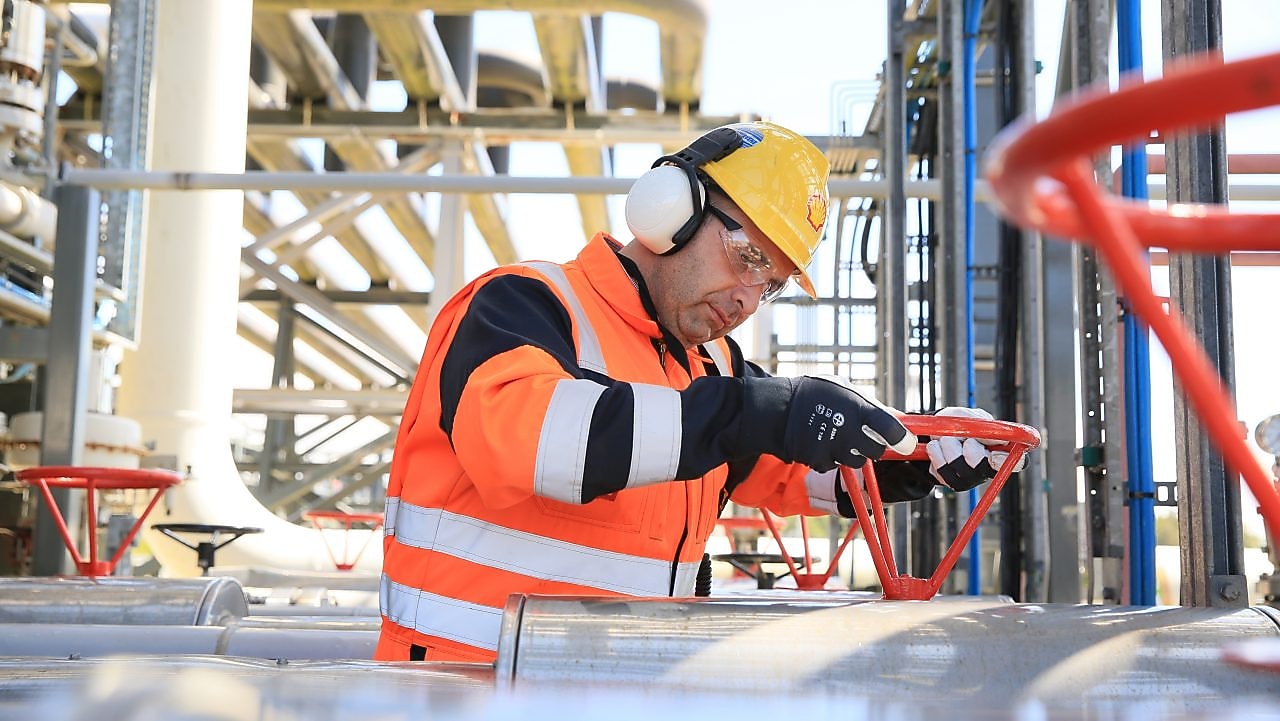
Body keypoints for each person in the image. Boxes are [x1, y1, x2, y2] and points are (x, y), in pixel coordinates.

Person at [375, 121, 1019, 663]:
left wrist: (917, 458)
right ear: (671, 209)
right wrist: (752, 412)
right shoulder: (525, 304)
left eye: (771, 285)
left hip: (618, 694)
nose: (747, 300)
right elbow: (533, 442)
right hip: (457, 689)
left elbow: (789, 462)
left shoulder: (710, 368)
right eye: (748, 258)